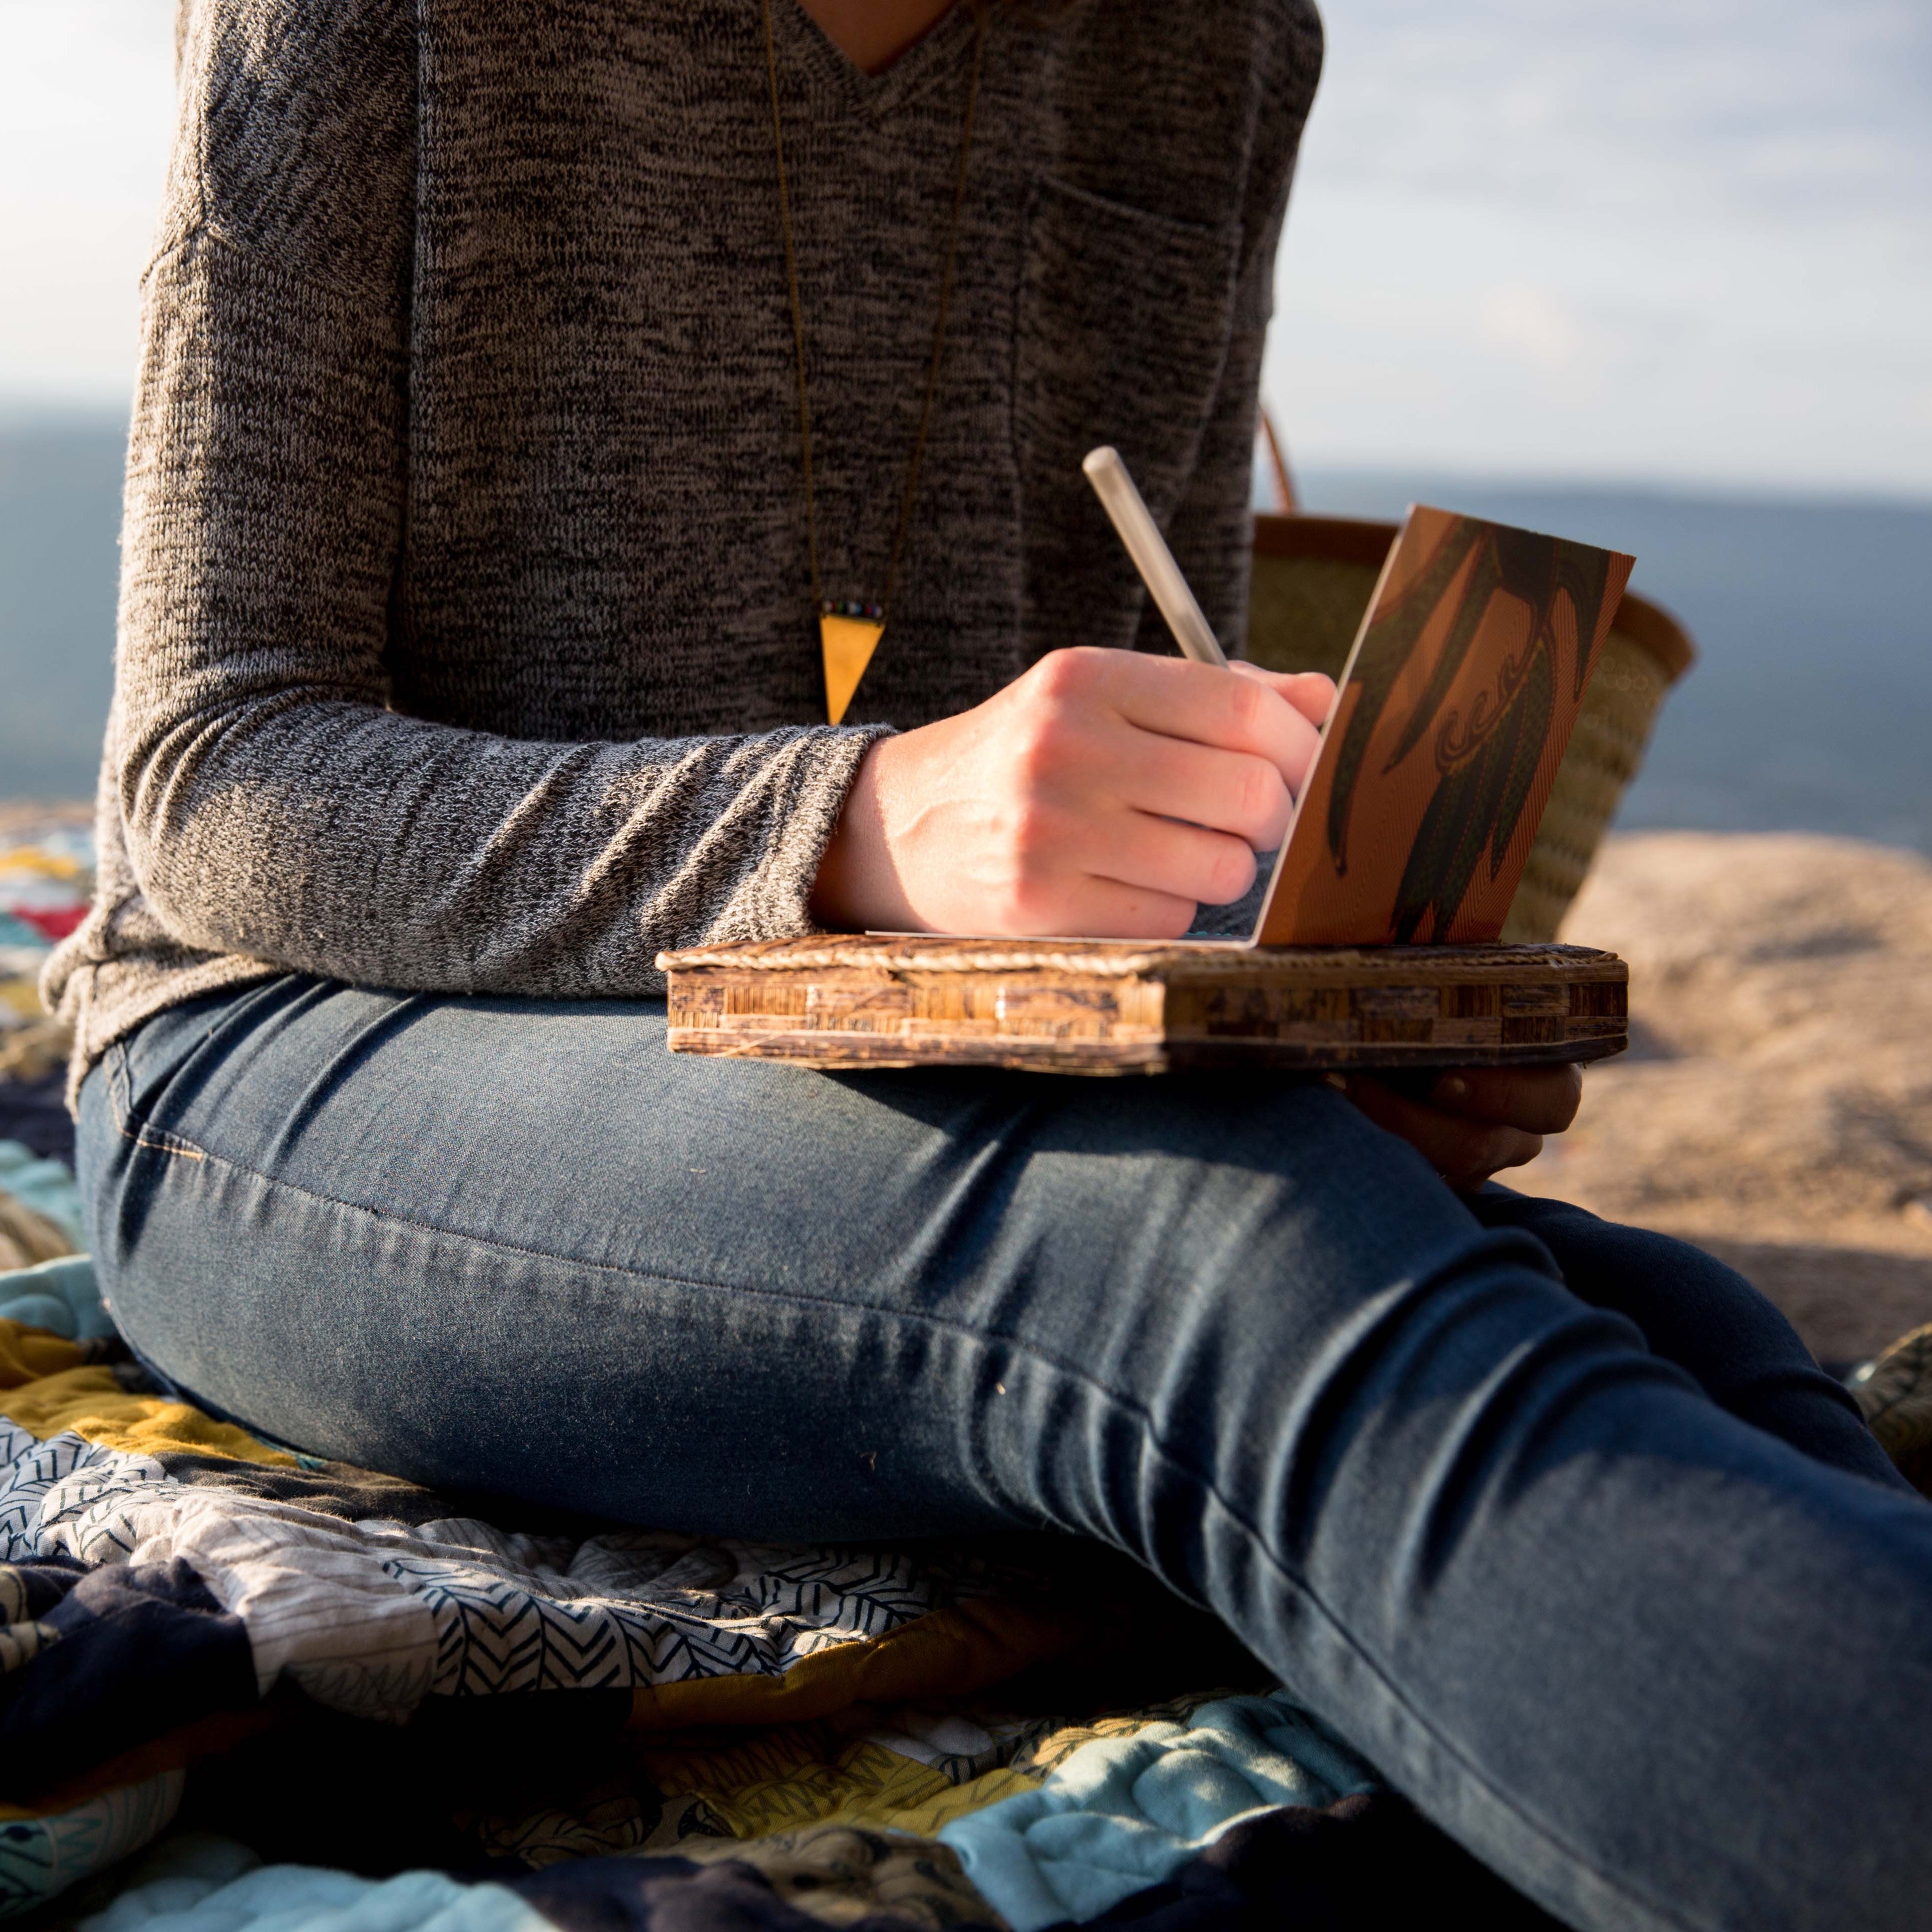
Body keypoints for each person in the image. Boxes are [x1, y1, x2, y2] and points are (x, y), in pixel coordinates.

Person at [48, 2, 1932, 1927]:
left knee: (1671, 1321)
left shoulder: (1212, 46)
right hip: (290, 1049)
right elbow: (213, 781)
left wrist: (1270, 998)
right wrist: (861, 820)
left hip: (907, 1059)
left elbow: (1138, 751)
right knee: (1214, 1240)